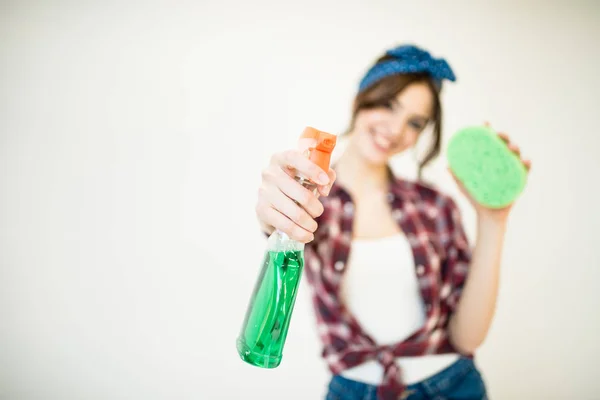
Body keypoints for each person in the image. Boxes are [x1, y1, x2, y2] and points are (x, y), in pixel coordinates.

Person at [255, 44, 531, 400]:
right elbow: (278, 223)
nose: (396, 129)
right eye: (389, 105)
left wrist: (493, 221)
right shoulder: (309, 199)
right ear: (362, 98)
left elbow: (467, 338)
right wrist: (271, 205)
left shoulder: (435, 207)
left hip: (453, 385)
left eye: (415, 122)